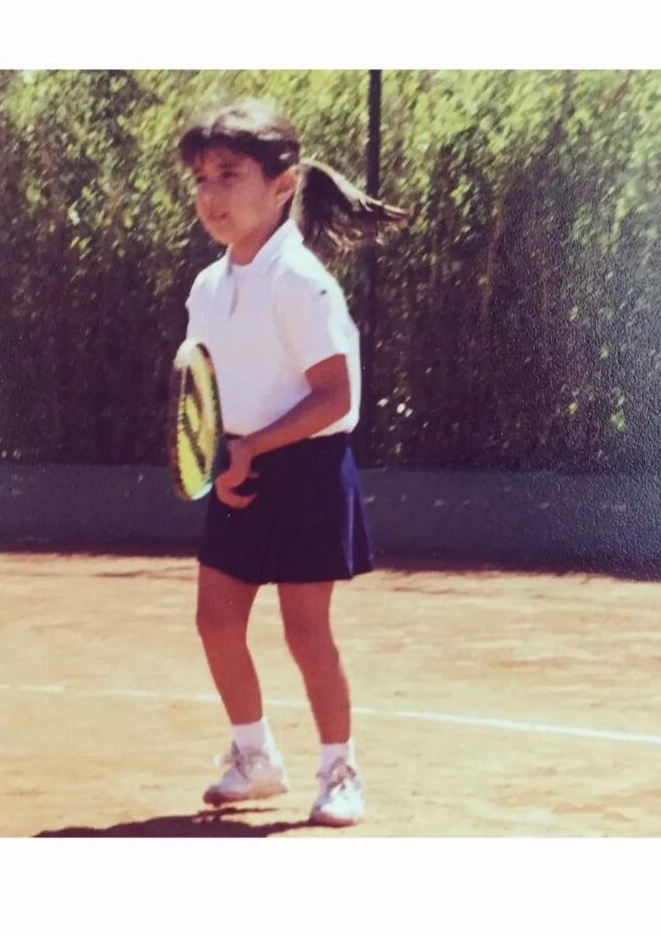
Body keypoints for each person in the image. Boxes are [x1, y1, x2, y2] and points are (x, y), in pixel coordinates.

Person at [178, 98, 408, 827]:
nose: (210, 193)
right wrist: (226, 458)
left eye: (228, 175)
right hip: (240, 468)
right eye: (202, 178)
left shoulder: (301, 281)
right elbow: (205, 388)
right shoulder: (209, 287)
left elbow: (336, 397)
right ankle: (256, 758)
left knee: (306, 631)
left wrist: (254, 449)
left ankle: (340, 769)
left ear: (283, 185)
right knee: (216, 621)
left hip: (308, 468)